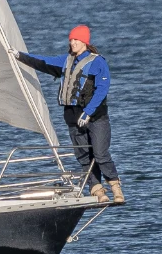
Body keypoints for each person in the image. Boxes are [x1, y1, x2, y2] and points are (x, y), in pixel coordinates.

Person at [13, 25, 124, 205]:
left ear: (85, 42)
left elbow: (102, 89)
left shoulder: (97, 62)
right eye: (71, 39)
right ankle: (98, 191)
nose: (72, 42)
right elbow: (43, 61)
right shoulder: (65, 60)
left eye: (76, 40)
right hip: (73, 117)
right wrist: (19, 56)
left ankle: (115, 188)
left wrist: (88, 112)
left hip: (95, 117)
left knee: (100, 153)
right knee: (83, 157)